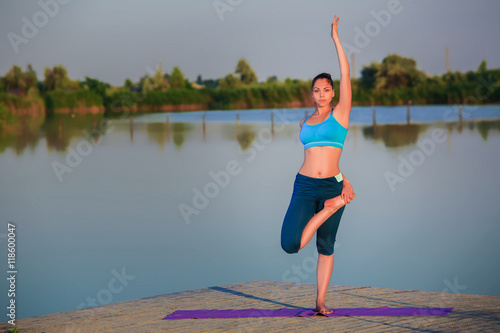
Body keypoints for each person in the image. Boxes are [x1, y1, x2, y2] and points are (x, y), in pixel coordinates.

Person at [280, 15, 356, 315]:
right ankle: (329, 208)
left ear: (333, 93)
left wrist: (336, 38)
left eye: (326, 89)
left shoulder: (341, 115)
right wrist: (342, 189)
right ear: (312, 94)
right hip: (305, 186)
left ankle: (320, 301)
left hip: (332, 187)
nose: (321, 94)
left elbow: (346, 72)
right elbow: (316, 158)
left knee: (326, 247)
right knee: (290, 243)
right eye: (316, 90)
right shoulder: (305, 121)